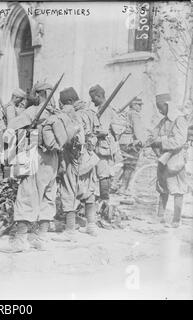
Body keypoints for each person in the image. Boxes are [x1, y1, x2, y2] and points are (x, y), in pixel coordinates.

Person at [0, 82, 58, 253]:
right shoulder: (57, 112)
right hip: (53, 158)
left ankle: (20, 241)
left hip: (36, 154)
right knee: (48, 195)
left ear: (39, 94)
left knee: (27, 193)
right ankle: (41, 239)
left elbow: (11, 127)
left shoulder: (33, 111)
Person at [52, 87, 100, 239]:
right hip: (89, 156)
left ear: (69, 102)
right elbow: (96, 133)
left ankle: (70, 231)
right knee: (89, 191)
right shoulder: (90, 112)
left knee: (69, 191)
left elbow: (73, 138)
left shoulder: (73, 115)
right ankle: (91, 226)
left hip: (73, 157)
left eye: (62, 104)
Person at [148, 93, 189, 228]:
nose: (159, 111)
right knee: (162, 187)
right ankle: (160, 216)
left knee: (177, 189)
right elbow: (154, 134)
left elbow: (179, 141)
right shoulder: (164, 120)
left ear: (167, 105)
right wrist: (153, 139)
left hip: (175, 159)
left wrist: (161, 141)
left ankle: (176, 220)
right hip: (164, 158)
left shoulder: (179, 119)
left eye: (161, 107)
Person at [89, 84, 124, 215]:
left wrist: (91, 133)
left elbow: (103, 131)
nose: (92, 101)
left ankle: (105, 202)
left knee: (103, 175)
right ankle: (103, 200)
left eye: (93, 98)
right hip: (104, 147)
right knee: (104, 174)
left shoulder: (105, 110)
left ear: (99, 96)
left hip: (103, 148)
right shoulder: (103, 108)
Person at [117, 97, 147, 195]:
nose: (140, 107)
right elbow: (138, 131)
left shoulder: (126, 113)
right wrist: (143, 142)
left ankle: (118, 186)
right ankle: (123, 189)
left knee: (126, 165)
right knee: (130, 166)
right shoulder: (134, 115)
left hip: (122, 142)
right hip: (130, 143)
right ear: (133, 105)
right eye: (139, 105)